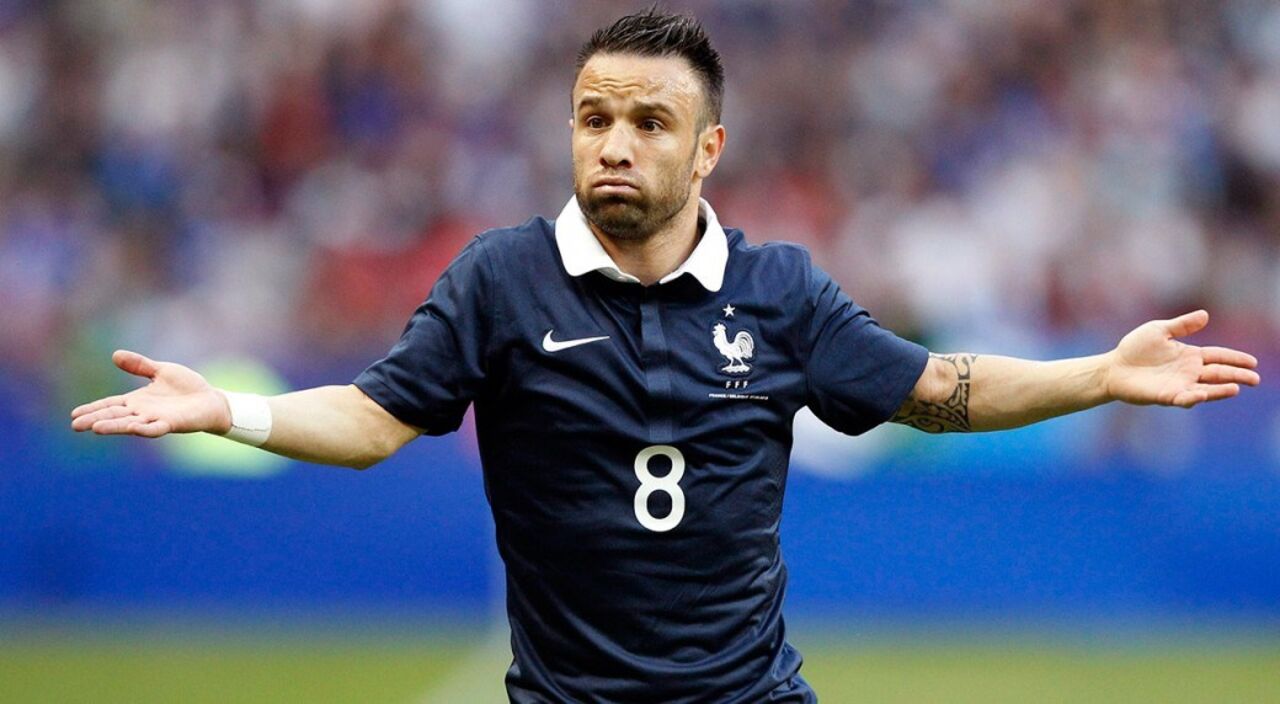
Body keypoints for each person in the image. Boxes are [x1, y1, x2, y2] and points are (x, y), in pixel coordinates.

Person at [70, 8, 1260, 703]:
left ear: (707, 149)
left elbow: (934, 390)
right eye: (594, 118)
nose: (614, 144)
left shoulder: (779, 289)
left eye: (648, 122)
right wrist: (228, 409)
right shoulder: (499, 277)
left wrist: (1098, 374)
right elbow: (376, 420)